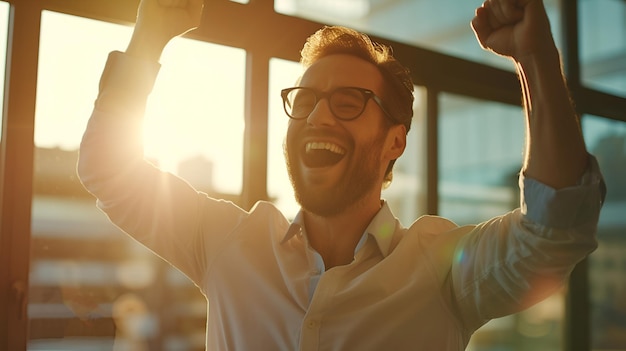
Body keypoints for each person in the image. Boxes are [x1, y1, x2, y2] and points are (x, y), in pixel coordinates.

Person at [77, 0, 606, 349]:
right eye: (305, 99)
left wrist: (535, 58)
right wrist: (152, 31)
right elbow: (108, 168)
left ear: (395, 141)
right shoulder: (226, 243)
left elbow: (555, 228)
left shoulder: (443, 272)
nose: (318, 116)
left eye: (348, 101)